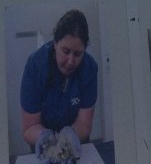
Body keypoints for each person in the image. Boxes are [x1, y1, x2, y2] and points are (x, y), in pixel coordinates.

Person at [20, 9, 97, 154]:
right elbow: (29, 128)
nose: (70, 61)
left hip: (75, 141)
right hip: (43, 143)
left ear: (84, 50)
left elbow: (84, 124)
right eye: (65, 51)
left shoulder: (90, 68)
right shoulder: (35, 66)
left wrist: (71, 135)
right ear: (55, 43)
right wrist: (45, 138)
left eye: (77, 54)